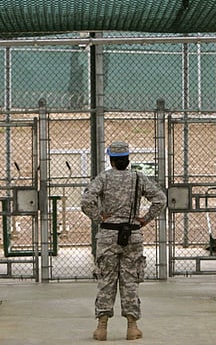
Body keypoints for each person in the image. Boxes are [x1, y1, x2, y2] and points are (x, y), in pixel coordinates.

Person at [81, 141, 166, 341]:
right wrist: (145, 219)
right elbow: (160, 199)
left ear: (111, 159)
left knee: (106, 280)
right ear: (128, 159)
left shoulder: (103, 178)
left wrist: (99, 217)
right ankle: (132, 327)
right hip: (132, 235)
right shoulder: (138, 178)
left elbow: (86, 201)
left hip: (108, 235)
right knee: (130, 281)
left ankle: (101, 328)